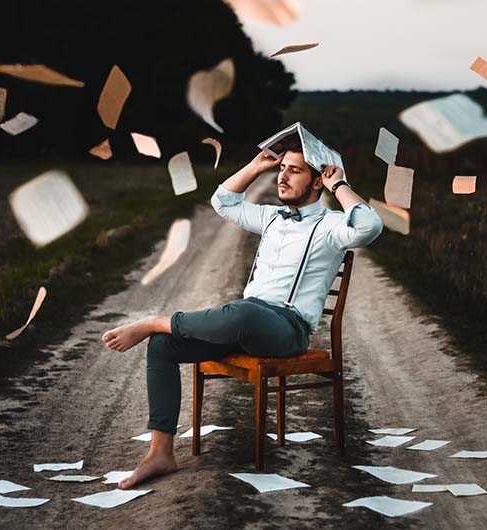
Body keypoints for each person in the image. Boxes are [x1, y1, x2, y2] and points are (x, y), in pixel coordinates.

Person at [102, 137, 383, 489]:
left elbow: (369, 226)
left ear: (317, 180)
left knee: (241, 314)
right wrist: (256, 166)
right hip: (246, 323)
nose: (283, 177)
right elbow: (223, 202)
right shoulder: (271, 217)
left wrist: (338, 184)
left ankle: (157, 321)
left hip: (286, 330)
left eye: (294, 171)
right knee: (163, 347)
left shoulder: (331, 226)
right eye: (281, 169)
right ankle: (160, 454)